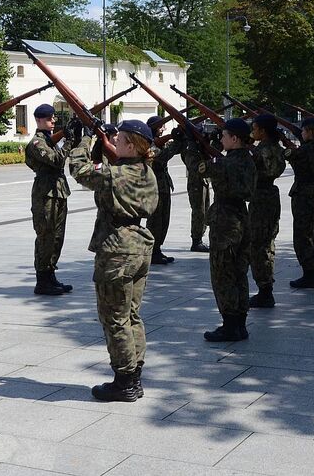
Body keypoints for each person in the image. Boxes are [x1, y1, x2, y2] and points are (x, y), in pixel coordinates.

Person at [69, 120, 158, 402]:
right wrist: (103, 142)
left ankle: (124, 381)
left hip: (117, 248)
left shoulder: (116, 174)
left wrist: (83, 140)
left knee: (114, 318)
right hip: (139, 244)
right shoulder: (146, 171)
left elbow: (79, 171)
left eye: (119, 139)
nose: (115, 142)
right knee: (131, 315)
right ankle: (134, 375)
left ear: (131, 145)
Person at [199, 118, 256, 341]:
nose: (220, 139)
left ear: (235, 139)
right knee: (239, 273)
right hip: (242, 217)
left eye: (224, 135)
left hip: (225, 222)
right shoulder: (248, 160)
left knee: (223, 274)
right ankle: (239, 324)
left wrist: (198, 147)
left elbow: (200, 168)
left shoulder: (224, 163)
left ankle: (230, 325)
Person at [25, 104, 74, 295]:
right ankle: (42, 280)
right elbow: (57, 160)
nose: (52, 121)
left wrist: (74, 135)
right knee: (45, 236)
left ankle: (50, 274)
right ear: (38, 120)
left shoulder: (50, 140)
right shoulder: (37, 143)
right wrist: (67, 140)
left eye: (53, 118)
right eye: (48, 118)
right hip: (45, 194)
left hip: (59, 191)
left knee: (57, 237)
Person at [247, 115, 287, 308]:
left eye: (254, 128)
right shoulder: (276, 148)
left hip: (260, 198)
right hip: (270, 195)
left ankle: (264, 290)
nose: (252, 131)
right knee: (266, 242)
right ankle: (265, 288)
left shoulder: (260, 151)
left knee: (259, 244)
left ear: (262, 131)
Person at [286, 117, 314, 289]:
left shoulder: (305, 150)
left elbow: (288, 155)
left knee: (304, 236)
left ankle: (309, 275)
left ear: (309, 132)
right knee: (312, 233)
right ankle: (310, 273)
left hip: (304, 195)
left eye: (303, 131)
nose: (301, 133)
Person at [146, 116, 186, 265]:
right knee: (155, 221)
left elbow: (176, 149)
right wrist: (174, 139)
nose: (163, 129)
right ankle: (152, 250)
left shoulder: (160, 143)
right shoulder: (147, 144)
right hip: (155, 187)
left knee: (164, 220)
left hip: (163, 186)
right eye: (161, 127)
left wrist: (183, 137)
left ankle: (157, 249)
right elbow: (161, 157)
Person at [181, 127, 211, 252]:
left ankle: (200, 237)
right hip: (195, 182)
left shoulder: (198, 147)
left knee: (205, 209)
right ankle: (196, 240)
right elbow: (192, 163)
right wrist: (192, 143)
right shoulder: (189, 148)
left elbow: (209, 155)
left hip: (203, 181)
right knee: (199, 211)